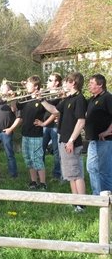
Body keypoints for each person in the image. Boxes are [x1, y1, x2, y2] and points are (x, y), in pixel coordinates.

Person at [41, 72, 87, 212]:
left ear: (73, 83)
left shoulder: (79, 99)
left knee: (76, 173)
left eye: (67, 81)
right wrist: (41, 99)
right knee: (70, 174)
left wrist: (71, 140)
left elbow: (81, 121)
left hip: (71, 141)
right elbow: (54, 110)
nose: (65, 84)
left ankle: (82, 204)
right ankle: (75, 202)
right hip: (64, 140)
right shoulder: (68, 99)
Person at [16, 75, 47, 190]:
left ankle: (43, 182)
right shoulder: (26, 98)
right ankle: (33, 181)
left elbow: (54, 112)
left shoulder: (41, 99)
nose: (26, 86)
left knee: (37, 159)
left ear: (36, 86)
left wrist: (44, 123)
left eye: (29, 84)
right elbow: (15, 108)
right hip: (25, 133)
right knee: (28, 159)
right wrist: (12, 97)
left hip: (36, 133)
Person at [85, 74, 112, 195]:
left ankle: (108, 198)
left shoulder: (107, 98)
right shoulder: (91, 99)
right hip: (93, 139)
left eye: (91, 83)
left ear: (100, 84)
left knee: (104, 170)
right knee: (91, 168)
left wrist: (107, 131)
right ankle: (96, 196)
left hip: (105, 140)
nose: (89, 85)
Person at [34, 72, 62, 180]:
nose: (48, 82)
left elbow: (55, 112)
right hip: (45, 125)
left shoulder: (60, 94)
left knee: (56, 151)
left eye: (50, 80)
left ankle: (57, 174)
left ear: (57, 82)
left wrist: (44, 123)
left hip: (54, 125)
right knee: (41, 150)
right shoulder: (46, 93)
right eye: (48, 80)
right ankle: (40, 173)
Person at [0, 82, 20, 178]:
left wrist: (12, 98)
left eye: (4, 88)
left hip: (6, 132)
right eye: (1, 88)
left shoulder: (13, 100)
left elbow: (14, 109)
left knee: (9, 154)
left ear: (9, 89)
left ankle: (13, 175)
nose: (1, 90)